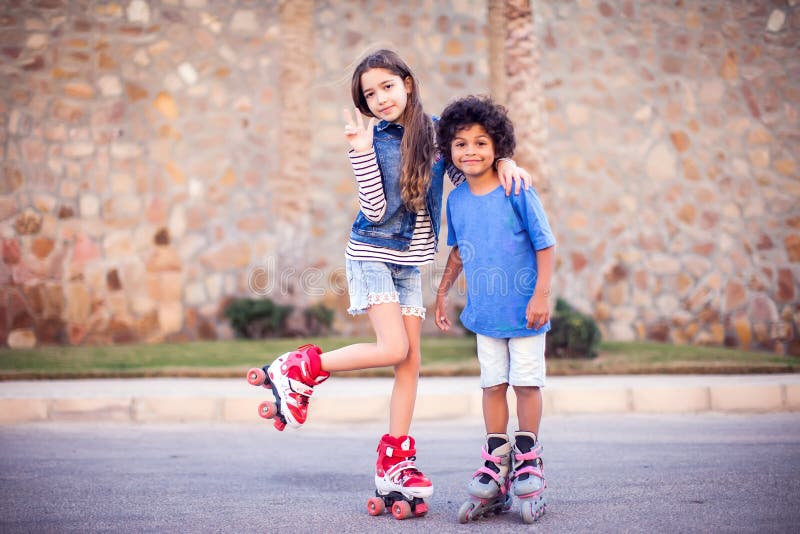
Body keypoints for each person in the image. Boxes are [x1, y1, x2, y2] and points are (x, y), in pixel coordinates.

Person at [256, 50, 530, 510]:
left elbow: (471, 163)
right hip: (370, 256)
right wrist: (361, 154)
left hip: (409, 262)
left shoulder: (442, 133)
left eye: (387, 86)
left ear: (407, 82)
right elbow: (377, 211)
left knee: (410, 361)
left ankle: (394, 460)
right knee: (393, 348)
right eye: (369, 93)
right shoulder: (371, 139)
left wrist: (504, 163)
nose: (380, 98)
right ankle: (300, 367)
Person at [433, 95, 555, 524]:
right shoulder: (457, 200)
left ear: (497, 146)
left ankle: (528, 457)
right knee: (491, 385)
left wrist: (540, 296)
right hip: (485, 315)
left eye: (481, 143)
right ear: (449, 150)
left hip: (525, 313)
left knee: (525, 384)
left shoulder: (516, 188)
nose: (470, 151)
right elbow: (459, 252)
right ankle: (496, 461)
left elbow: (545, 243)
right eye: (461, 144)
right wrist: (442, 291)